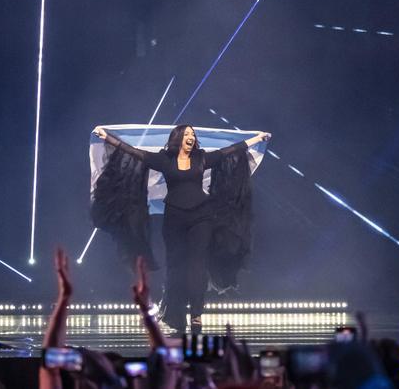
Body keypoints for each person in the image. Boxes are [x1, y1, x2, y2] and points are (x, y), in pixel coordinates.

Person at [91, 124, 270, 335]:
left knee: (196, 265)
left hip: (201, 217)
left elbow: (229, 151)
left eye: (193, 134)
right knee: (176, 267)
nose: (191, 137)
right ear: (177, 138)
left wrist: (257, 139)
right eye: (186, 134)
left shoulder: (202, 158)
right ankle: (176, 317)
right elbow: (133, 152)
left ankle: (196, 314)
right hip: (174, 218)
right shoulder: (164, 160)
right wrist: (107, 138)